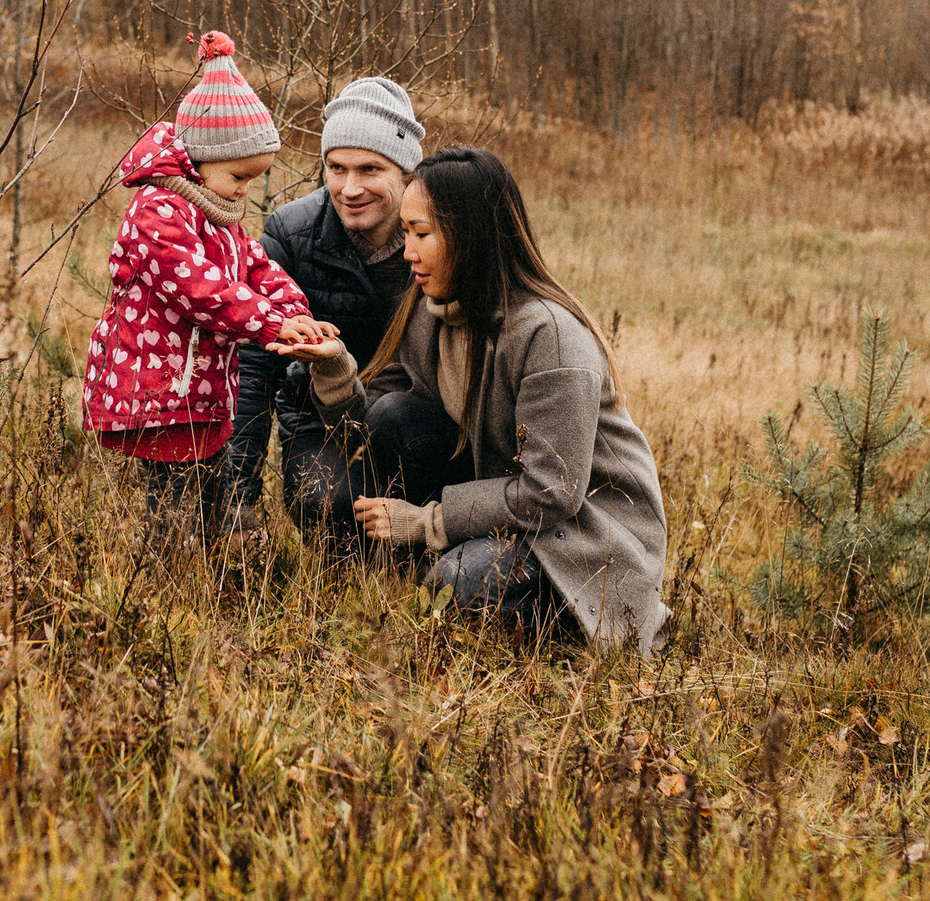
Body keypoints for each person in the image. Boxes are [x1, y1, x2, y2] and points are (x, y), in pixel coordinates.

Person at [309, 146, 669, 650]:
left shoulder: (549, 336)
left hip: (581, 538)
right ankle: (430, 572)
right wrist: (332, 366)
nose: (407, 251)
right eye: (406, 232)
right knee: (394, 414)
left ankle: (582, 624)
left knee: (455, 584)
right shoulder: (429, 314)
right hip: (504, 507)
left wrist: (426, 523)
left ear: (469, 236)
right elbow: (368, 428)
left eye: (421, 234)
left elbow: (551, 493)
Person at [79, 32, 337, 540]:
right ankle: (171, 575)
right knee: (175, 505)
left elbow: (256, 266)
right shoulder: (157, 213)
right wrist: (271, 323)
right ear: (200, 160)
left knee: (212, 485)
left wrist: (294, 311)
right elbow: (201, 289)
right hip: (160, 390)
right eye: (239, 176)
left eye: (253, 179)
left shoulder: (215, 213)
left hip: (201, 387)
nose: (245, 190)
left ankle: (218, 557)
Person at [224, 76, 441, 539]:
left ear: (406, 173)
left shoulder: (441, 236)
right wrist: (238, 499)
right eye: (336, 168)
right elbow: (254, 371)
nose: (350, 188)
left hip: (419, 416)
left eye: (370, 169)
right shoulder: (291, 234)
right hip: (318, 418)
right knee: (326, 505)